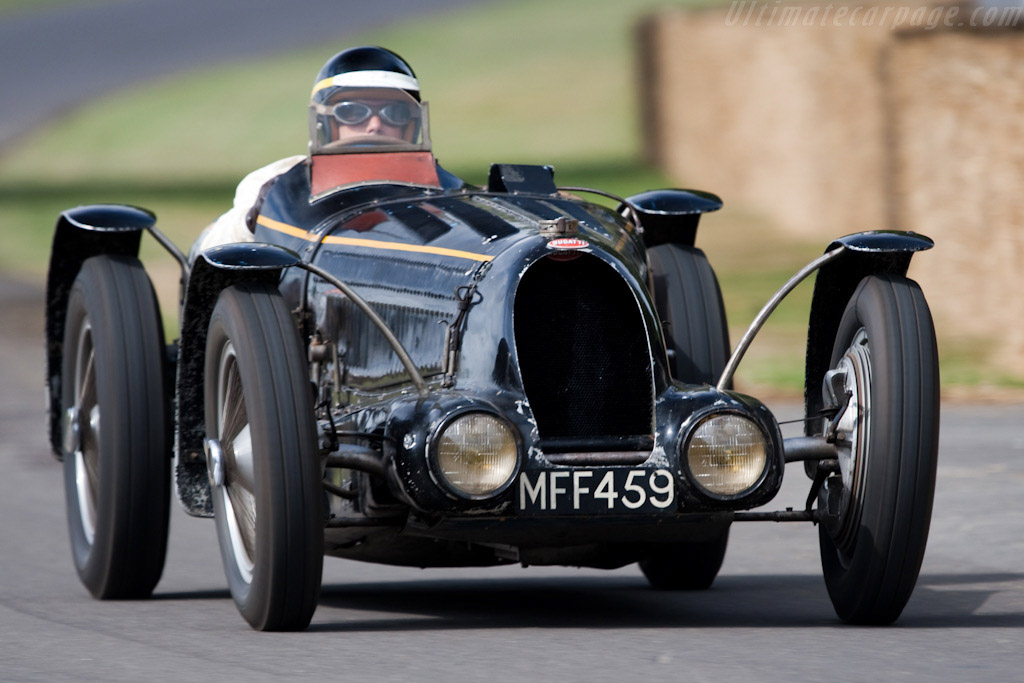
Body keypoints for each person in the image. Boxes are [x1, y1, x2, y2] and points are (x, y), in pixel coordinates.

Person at [194, 46, 453, 256]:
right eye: (352, 112)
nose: (375, 125)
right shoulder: (275, 178)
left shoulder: (438, 183)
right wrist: (254, 217)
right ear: (325, 122)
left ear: (412, 124)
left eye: (393, 113)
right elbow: (210, 251)